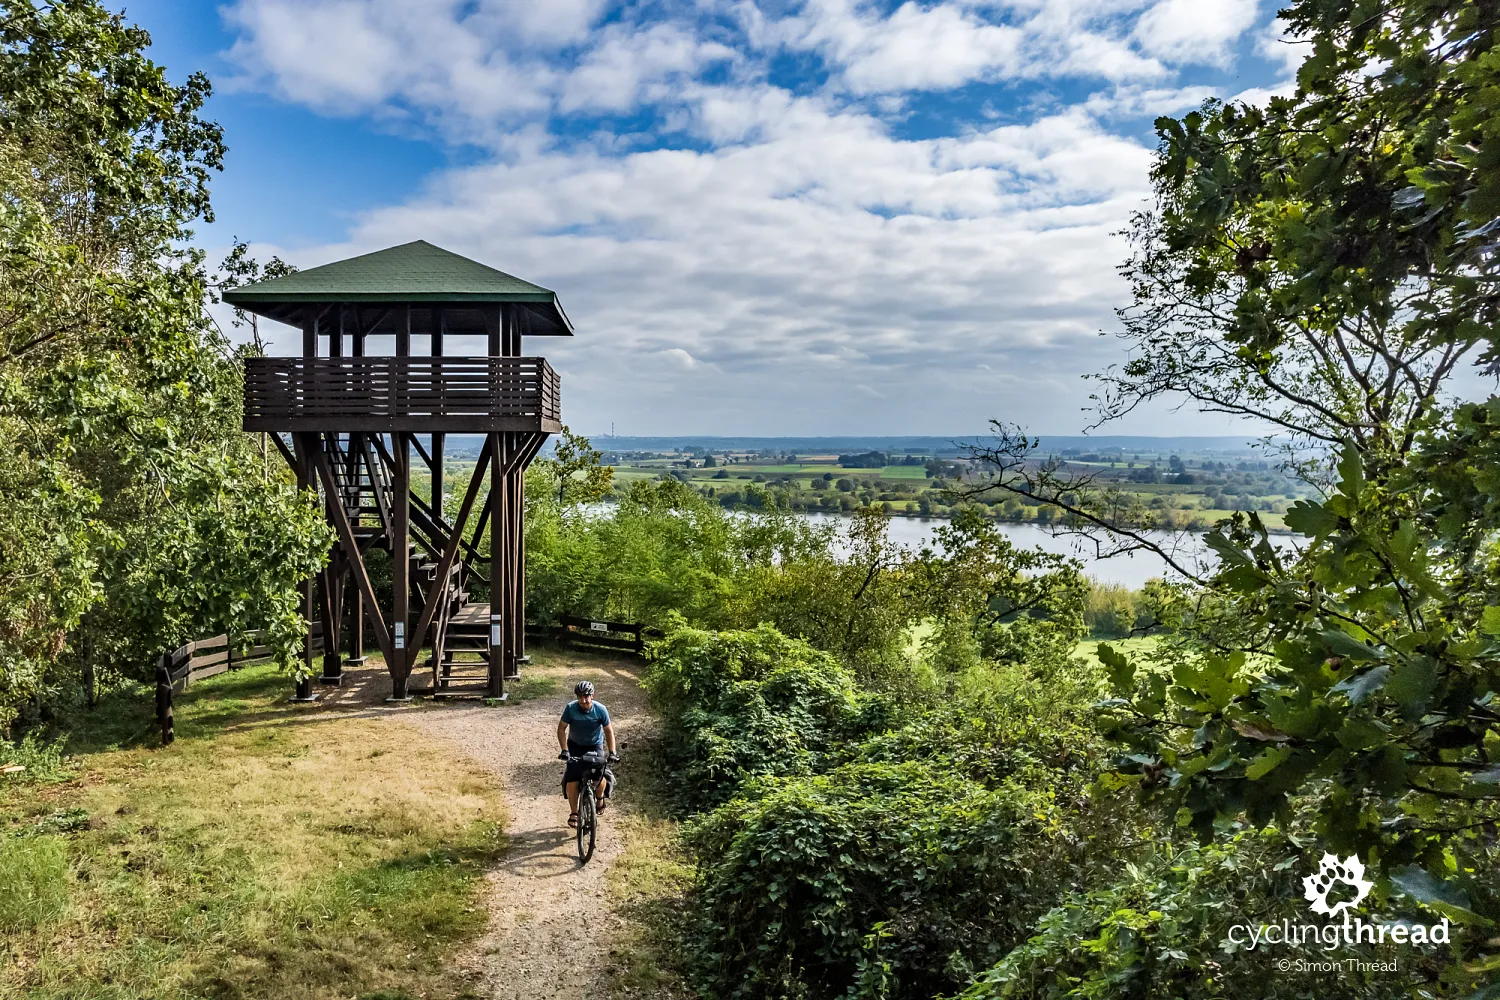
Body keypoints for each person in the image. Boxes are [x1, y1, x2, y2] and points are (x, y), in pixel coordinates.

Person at [557, 680, 617, 828]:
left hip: (594, 745)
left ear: (592, 695)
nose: (583, 700)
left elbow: (608, 731)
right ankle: (574, 813)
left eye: (586, 696)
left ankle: (600, 798)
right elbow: (561, 729)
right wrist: (564, 750)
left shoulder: (600, 709)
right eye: (580, 697)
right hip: (575, 746)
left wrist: (612, 752)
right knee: (573, 778)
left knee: (599, 775)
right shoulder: (571, 708)